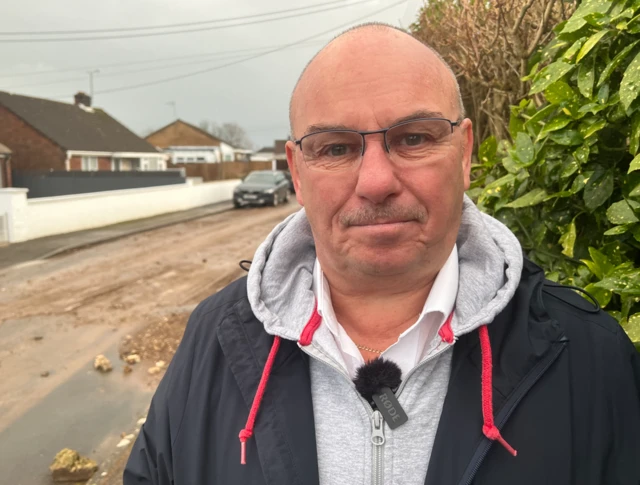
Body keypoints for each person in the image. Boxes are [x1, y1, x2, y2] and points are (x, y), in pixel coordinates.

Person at [123, 23, 640, 485]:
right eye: (336, 148)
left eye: (413, 138)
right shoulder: (212, 340)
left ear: (464, 155)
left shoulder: (589, 358)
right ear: (297, 172)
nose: (375, 182)